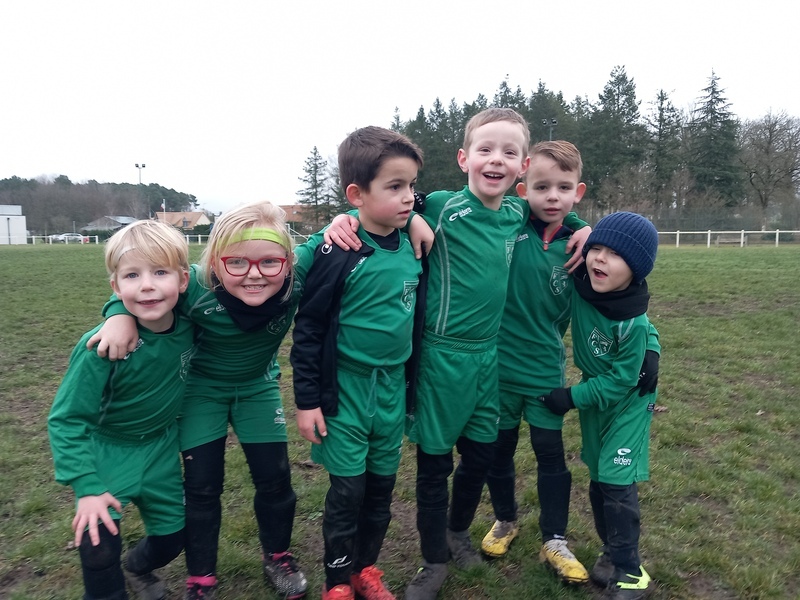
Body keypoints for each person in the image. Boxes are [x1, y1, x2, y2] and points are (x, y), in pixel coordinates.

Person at [88, 202, 347, 600]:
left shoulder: (298, 274)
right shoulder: (194, 285)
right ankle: (201, 577)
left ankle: (278, 557)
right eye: (237, 262)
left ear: (288, 262)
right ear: (214, 264)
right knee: (202, 487)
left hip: (257, 388)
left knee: (276, 479)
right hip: (200, 392)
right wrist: (117, 315)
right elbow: (144, 283)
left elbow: (356, 218)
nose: (255, 274)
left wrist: (356, 218)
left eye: (270, 262)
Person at [398, 108, 591, 600]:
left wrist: (586, 227)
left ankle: (456, 532)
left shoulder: (515, 213)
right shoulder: (440, 206)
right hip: (443, 358)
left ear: (522, 167)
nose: (496, 159)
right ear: (464, 158)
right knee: (435, 464)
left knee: (481, 456)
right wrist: (358, 217)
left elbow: (556, 206)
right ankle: (432, 561)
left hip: (491, 360)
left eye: (509, 152)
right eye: (485, 149)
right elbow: (386, 202)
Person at [291, 126, 425, 600]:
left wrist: (416, 218)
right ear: (356, 195)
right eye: (395, 187)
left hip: (391, 391)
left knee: (381, 491)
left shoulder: (414, 242)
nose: (408, 197)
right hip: (344, 392)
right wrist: (307, 400)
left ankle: (365, 569)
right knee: (347, 491)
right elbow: (309, 329)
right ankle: (336, 582)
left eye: (412, 186)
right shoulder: (337, 250)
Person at [48, 220, 194, 600]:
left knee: (174, 538)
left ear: (182, 280)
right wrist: (86, 486)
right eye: (132, 275)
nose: (146, 285)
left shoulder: (192, 324)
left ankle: (137, 567)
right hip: (107, 452)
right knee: (98, 547)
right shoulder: (101, 347)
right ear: (115, 287)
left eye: (159, 272)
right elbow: (66, 419)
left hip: (161, 449)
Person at [539, 211, 660, 600]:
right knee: (598, 477)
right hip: (597, 397)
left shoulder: (632, 319)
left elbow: (622, 381)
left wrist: (570, 397)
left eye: (615, 254)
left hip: (626, 402)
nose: (600, 259)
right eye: (597, 249)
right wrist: (580, 225)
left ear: (636, 269)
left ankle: (631, 573)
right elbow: (556, 210)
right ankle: (611, 551)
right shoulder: (583, 285)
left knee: (616, 483)